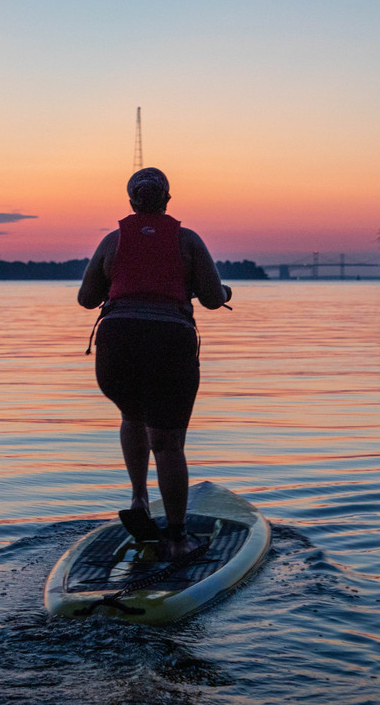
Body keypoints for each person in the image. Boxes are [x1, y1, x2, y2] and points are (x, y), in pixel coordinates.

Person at [78, 167, 231, 560]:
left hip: (117, 345)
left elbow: (86, 299)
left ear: (131, 202)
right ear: (168, 200)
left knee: (132, 414)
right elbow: (213, 299)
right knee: (166, 441)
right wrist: (224, 290)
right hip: (169, 345)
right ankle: (178, 539)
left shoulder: (113, 241)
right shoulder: (187, 240)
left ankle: (139, 501)